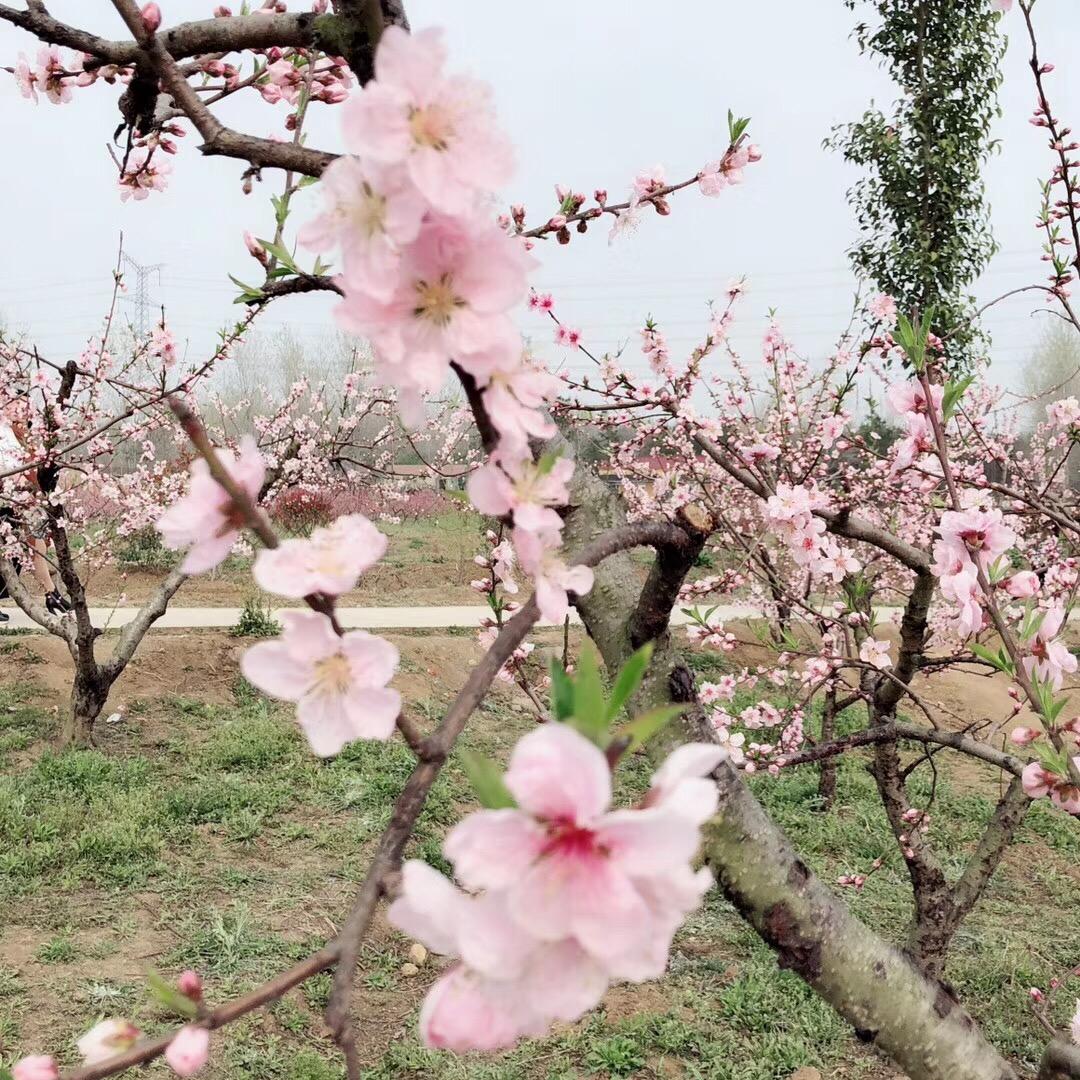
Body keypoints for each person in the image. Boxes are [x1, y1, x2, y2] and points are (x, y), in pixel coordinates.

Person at [0, 406, 72, 622]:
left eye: (25, 408)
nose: (21, 412)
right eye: (17, 407)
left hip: (15, 500)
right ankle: (52, 594)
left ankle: (52, 594)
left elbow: (33, 472)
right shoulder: (4, 434)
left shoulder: (23, 437)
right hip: (7, 498)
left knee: (35, 541)